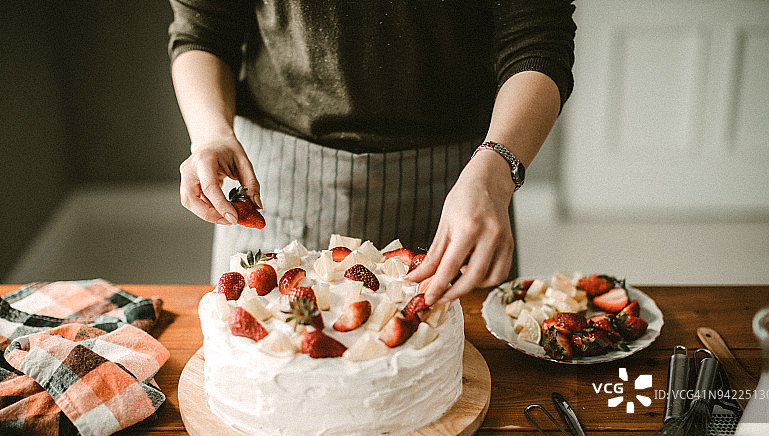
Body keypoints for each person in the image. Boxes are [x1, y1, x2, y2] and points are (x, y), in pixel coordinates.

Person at [168, 1, 575, 305]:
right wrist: (209, 134)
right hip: (277, 175)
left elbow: (537, 38)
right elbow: (204, 30)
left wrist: (498, 167)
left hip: (463, 176)